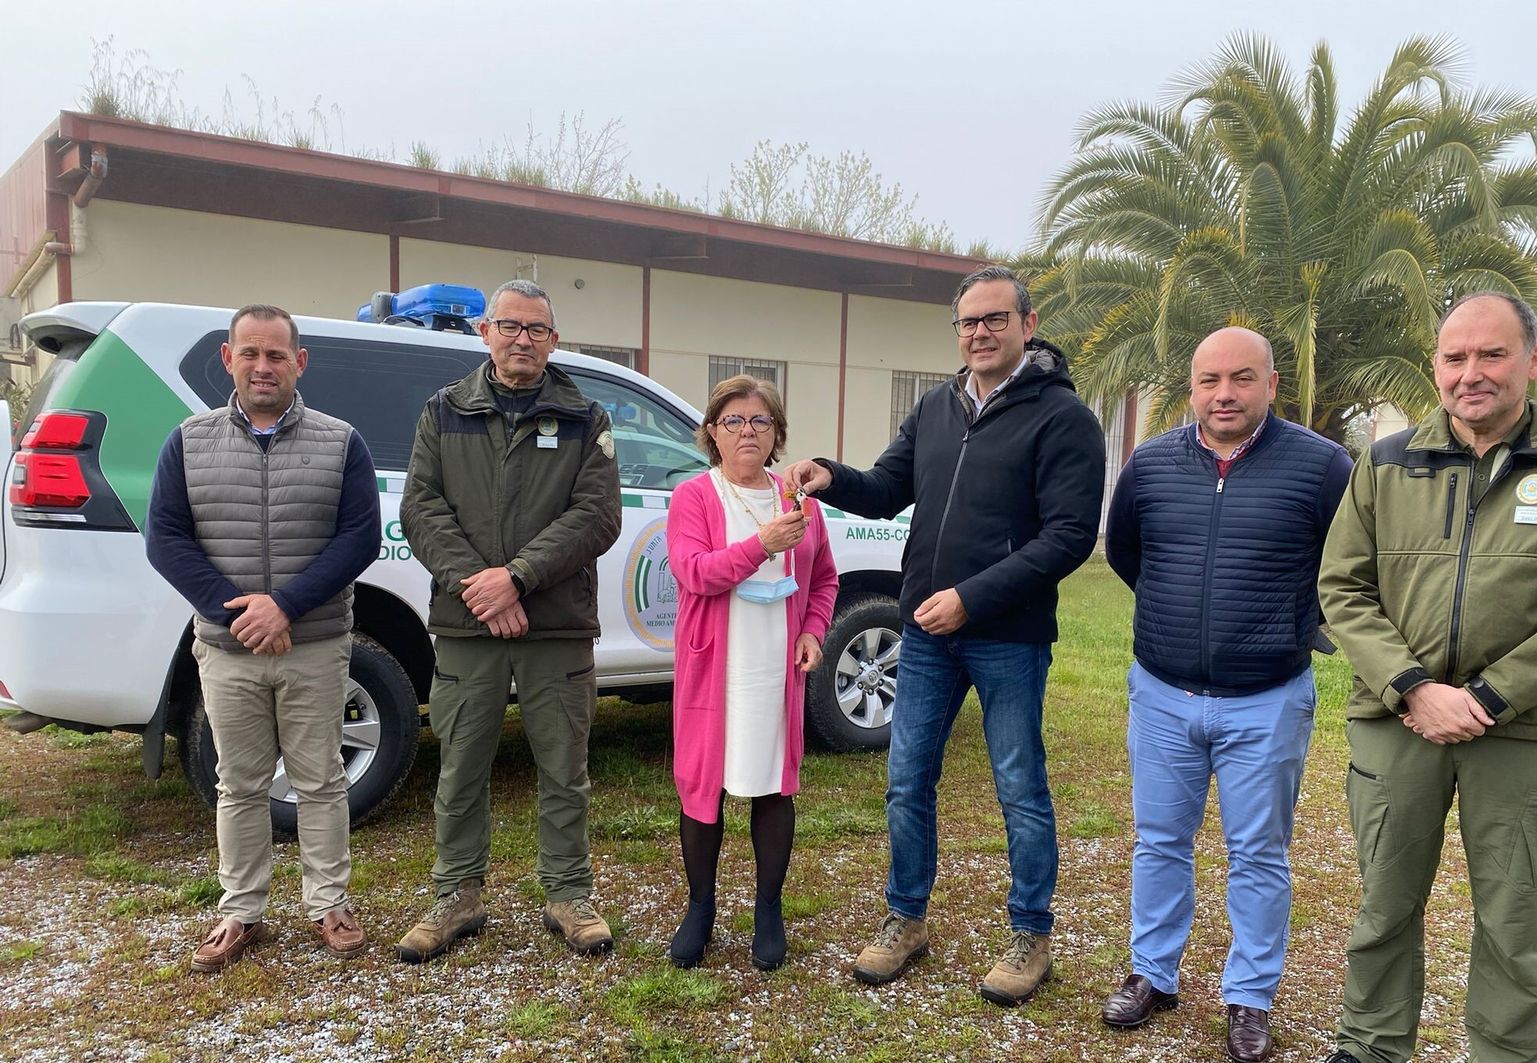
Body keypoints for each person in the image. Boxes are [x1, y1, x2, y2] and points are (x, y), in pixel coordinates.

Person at [1290, 293, 1537, 1063]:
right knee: (1384, 899)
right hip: (1400, 722)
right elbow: (1343, 589)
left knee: (1513, 918)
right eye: (1455, 358)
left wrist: (1492, 695)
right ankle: (1369, 1057)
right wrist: (1415, 689)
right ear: (1435, 367)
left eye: (1492, 356)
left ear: (1533, 361)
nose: (1472, 374)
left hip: (1526, 728)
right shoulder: (1388, 463)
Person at [783, 264, 1105, 1006]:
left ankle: (1031, 935)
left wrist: (971, 598)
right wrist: (831, 473)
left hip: (1009, 635)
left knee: (1019, 787)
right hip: (927, 632)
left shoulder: (1063, 419)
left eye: (994, 319)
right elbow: (889, 487)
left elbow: (1069, 536)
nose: (980, 333)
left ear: (1027, 324)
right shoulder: (936, 407)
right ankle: (907, 919)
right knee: (905, 782)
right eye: (967, 323)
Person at [1100, 327, 1351, 1063]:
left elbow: (1349, 568)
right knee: (1159, 842)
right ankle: (1153, 975)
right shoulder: (1149, 466)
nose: (1225, 394)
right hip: (1163, 694)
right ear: (1192, 389)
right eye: (1210, 380)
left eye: (1242, 378)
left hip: (1267, 698)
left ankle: (1249, 996)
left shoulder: (1323, 466)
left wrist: (1293, 626)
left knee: (1260, 853)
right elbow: (1127, 553)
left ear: (1272, 384)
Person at [145, 303, 381, 972]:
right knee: (240, 784)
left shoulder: (342, 442)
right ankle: (240, 911)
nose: (263, 365)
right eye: (250, 353)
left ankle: (329, 902)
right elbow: (165, 538)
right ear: (229, 359)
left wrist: (286, 606)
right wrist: (241, 613)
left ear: (299, 362)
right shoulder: (187, 441)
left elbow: (359, 537)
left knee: (321, 780)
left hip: (315, 644)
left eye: (277, 354)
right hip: (228, 650)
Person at [396, 279, 622, 962]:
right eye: (510, 326)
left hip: (555, 625)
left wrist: (517, 578)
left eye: (537, 330)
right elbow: (421, 509)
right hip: (469, 624)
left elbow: (596, 516)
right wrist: (481, 588)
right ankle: (456, 895)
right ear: (484, 332)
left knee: (564, 768)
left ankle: (568, 893)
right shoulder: (443, 412)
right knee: (461, 764)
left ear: (554, 342)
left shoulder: (588, 418)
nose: (523, 339)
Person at [664, 375, 839, 971]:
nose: (747, 431)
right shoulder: (695, 495)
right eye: (733, 421)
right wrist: (761, 545)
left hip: (776, 663)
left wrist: (814, 630)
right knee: (702, 785)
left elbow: (824, 579)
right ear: (712, 432)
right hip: (716, 662)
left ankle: (768, 909)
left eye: (760, 422)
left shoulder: (798, 499)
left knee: (772, 784)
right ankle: (700, 908)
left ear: (776, 434)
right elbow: (694, 572)